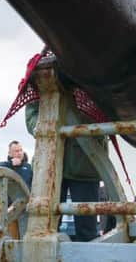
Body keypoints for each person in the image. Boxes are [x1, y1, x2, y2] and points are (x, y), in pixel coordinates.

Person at [26, 101, 104, 242]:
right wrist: (41, 127)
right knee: (43, 227)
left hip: (85, 160)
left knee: (87, 230)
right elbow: (32, 111)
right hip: (48, 162)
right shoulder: (38, 82)